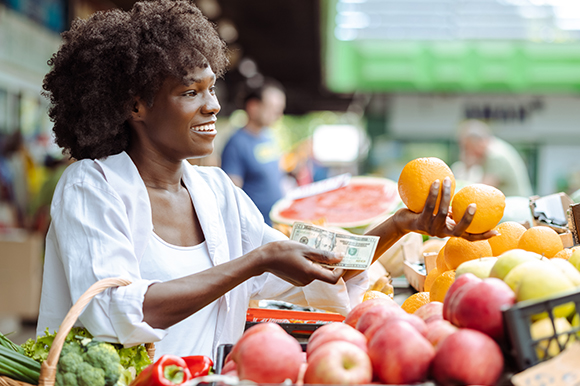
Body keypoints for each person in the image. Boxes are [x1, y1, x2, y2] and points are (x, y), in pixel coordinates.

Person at [37, 0, 495, 362]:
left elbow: (321, 269)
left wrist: (400, 225)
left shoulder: (216, 195)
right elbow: (116, 312)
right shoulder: (91, 187)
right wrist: (257, 261)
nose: (213, 106)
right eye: (189, 92)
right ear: (135, 106)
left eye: (211, 88)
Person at [220, 79, 286, 226]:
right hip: (256, 231)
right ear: (253, 107)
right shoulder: (236, 144)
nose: (278, 114)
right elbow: (232, 196)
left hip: (277, 226)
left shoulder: (270, 137)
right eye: (273, 108)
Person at [453, 119, 533, 197]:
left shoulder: (495, 156)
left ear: (479, 142)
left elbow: (482, 190)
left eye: (468, 147)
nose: (466, 152)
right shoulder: (492, 149)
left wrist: (468, 168)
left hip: (516, 205)